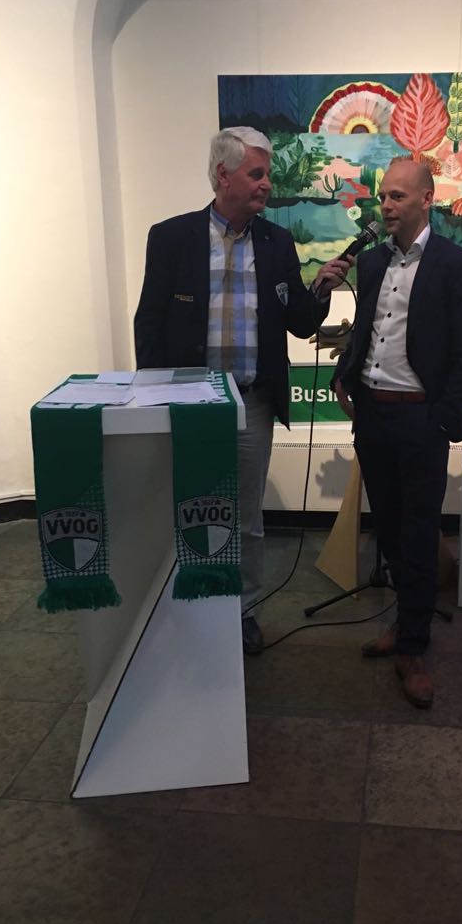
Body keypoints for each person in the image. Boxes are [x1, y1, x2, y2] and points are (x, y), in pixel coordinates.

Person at [134, 126, 350, 654]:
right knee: (191, 509)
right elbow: (149, 323)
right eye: (256, 173)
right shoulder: (171, 237)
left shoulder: (277, 242)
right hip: (190, 403)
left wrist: (321, 288)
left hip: (251, 403)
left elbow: (300, 322)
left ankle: (243, 611)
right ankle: (188, 607)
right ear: (222, 175)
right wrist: (155, 397)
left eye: (267, 173)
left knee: (247, 520)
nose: (266, 183)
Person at [333, 157, 462, 707]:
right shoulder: (372, 262)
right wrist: (345, 373)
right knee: (391, 532)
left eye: (397, 196)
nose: (386, 205)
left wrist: (443, 415)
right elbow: (368, 330)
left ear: (427, 199)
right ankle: (404, 623)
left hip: (421, 419)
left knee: (420, 535)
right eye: (383, 197)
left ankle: (414, 647)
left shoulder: (457, 265)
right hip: (374, 416)